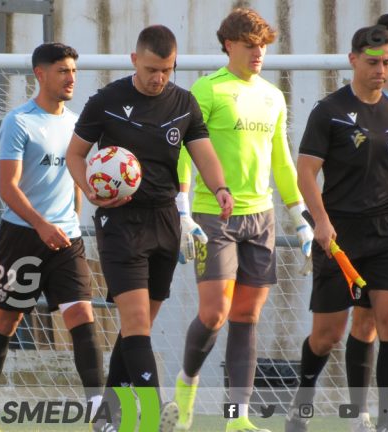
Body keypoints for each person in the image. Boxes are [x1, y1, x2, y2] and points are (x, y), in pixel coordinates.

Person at [66, 26, 233, 432]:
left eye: (167, 70)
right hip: (120, 221)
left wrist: (221, 187)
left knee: (136, 326)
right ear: (133, 60)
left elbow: (204, 153)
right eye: (152, 69)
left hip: (165, 221)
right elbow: (75, 154)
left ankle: (106, 415)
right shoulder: (107, 101)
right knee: (138, 322)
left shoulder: (184, 103)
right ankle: (156, 414)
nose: (159, 78)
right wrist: (90, 190)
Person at [174, 8, 314, 432]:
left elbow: (282, 161)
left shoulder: (272, 96)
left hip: (262, 217)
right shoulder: (206, 89)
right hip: (212, 215)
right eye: (251, 45)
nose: (259, 53)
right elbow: (184, 151)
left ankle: (237, 418)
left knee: (246, 318)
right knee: (215, 313)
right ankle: (187, 385)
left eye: (264, 46)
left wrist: (300, 216)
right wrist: (182, 210)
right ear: (230, 45)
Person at [0, 43, 105, 432]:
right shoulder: (19, 122)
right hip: (23, 238)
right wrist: (41, 224)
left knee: (82, 315)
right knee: (6, 321)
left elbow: (78, 174)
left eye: (73, 71)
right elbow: (7, 187)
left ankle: (98, 413)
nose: (70, 78)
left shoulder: (79, 123)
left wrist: (73, 220)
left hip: (67, 239)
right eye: (62, 71)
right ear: (40, 74)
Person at [285, 25, 388, 432]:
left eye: (387, 63)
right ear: (353, 60)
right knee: (327, 336)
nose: (381, 70)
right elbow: (306, 173)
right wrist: (320, 220)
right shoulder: (330, 111)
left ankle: (384, 421)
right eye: (373, 63)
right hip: (339, 238)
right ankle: (301, 404)